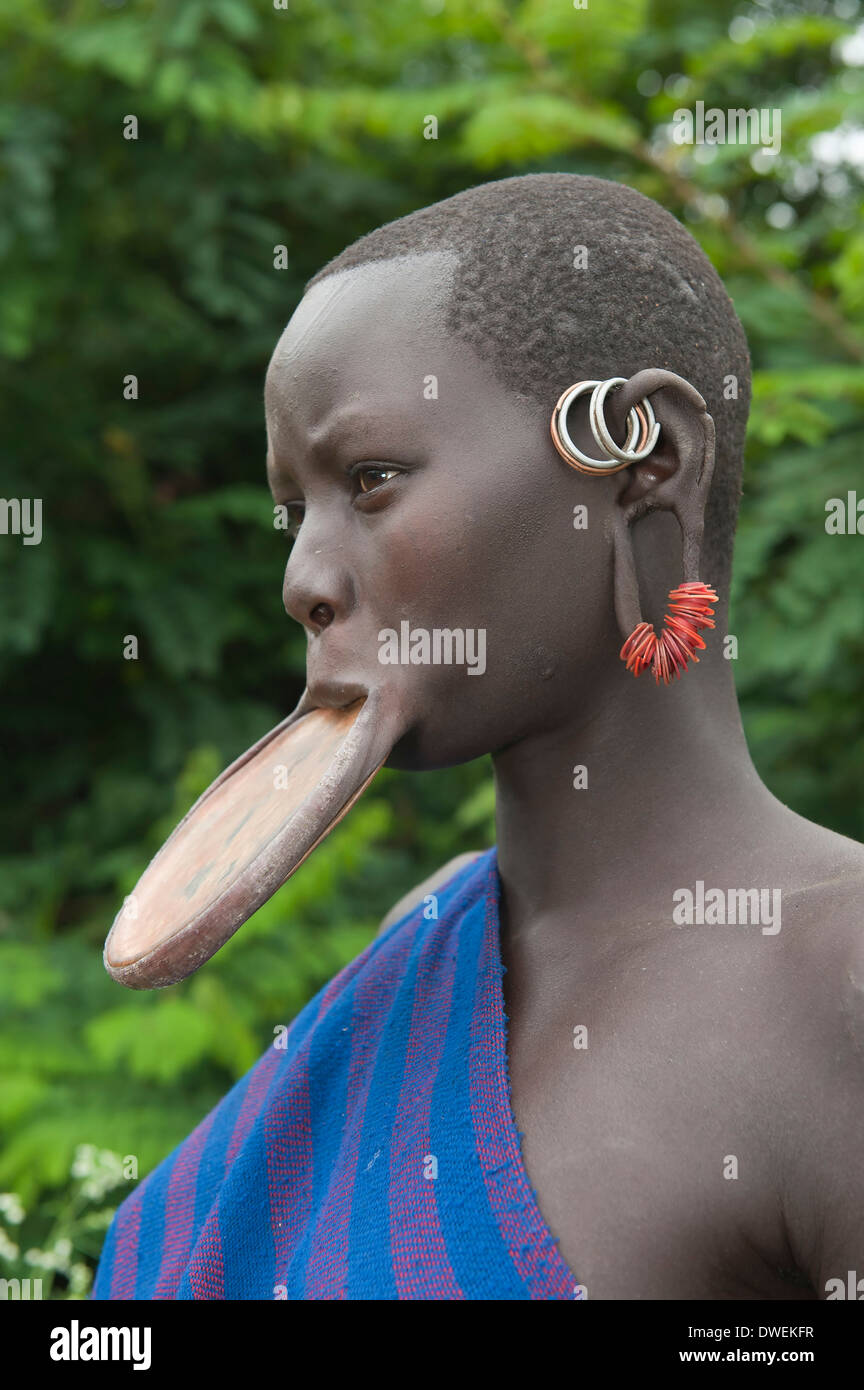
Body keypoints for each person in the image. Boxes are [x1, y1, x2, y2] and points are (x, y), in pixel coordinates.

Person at [93, 173, 864, 1300]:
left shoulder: (837, 982)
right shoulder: (422, 945)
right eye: (292, 506)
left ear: (647, 457)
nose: (302, 578)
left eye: (370, 479)